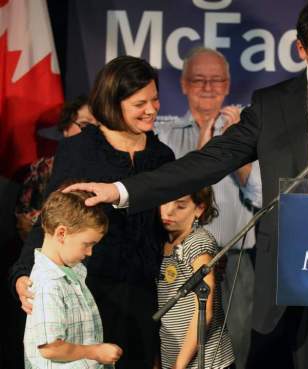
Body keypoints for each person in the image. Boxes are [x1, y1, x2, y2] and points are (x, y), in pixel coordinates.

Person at [65, 1, 308, 368]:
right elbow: (208, 162)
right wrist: (122, 190)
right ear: (301, 49)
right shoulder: (274, 106)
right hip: (305, 276)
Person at [9, 55, 175, 369]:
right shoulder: (79, 150)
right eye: (140, 103)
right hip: (87, 294)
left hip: (142, 299)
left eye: (154, 99)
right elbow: (51, 219)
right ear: (113, 103)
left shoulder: (162, 156)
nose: (152, 109)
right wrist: (21, 273)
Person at [154, 46, 260, 369]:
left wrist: (235, 147)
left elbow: (259, 194)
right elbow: (179, 189)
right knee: (180, 346)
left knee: (236, 348)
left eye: (216, 80)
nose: (208, 87)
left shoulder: (247, 132)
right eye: (199, 80)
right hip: (183, 262)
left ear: (228, 85)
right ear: (184, 85)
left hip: (237, 261)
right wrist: (206, 142)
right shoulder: (166, 133)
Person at [24, 189, 123, 368]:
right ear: (61, 233)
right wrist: (96, 352)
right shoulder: (49, 283)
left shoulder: (71, 271)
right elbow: (51, 348)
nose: (90, 252)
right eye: (87, 244)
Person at [157, 187, 234, 369]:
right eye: (164, 202)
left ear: (199, 209)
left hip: (206, 362)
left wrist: (179, 365)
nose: (168, 211)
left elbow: (204, 312)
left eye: (180, 206)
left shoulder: (197, 241)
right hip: (173, 358)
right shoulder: (162, 241)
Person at [16, 95, 98, 241]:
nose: (91, 132)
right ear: (66, 128)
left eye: (98, 127)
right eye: (84, 124)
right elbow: (25, 219)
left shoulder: (107, 167)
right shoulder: (44, 168)